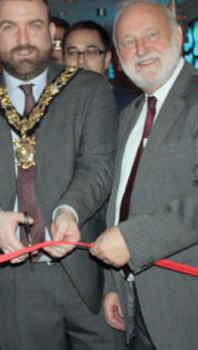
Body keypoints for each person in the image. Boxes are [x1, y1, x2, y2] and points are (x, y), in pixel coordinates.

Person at [0, 0, 120, 349]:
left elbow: (97, 165)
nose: (24, 38)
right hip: (15, 278)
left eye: (34, 26)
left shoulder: (89, 89)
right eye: (11, 27)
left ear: (51, 32)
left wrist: (68, 211)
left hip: (86, 265)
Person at [90, 1, 198, 349]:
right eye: (128, 42)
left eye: (151, 35)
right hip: (137, 306)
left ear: (179, 36)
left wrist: (133, 241)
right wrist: (114, 284)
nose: (141, 49)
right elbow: (122, 201)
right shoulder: (131, 114)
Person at [62, 20, 138, 112]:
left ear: (107, 59)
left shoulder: (130, 106)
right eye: (72, 53)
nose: (81, 61)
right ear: (64, 60)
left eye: (90, 52)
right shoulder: (54, 105)